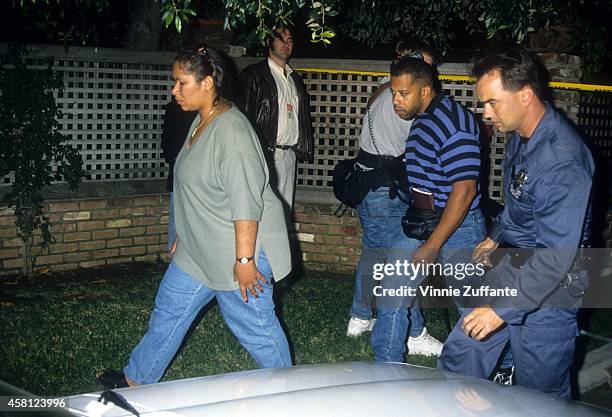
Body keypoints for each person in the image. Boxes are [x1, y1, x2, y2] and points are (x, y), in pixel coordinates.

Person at [96, 45, 292, 388]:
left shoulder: (232, 132)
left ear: (207, 84)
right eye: (174, 82)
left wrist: (245, 261)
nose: (174, 90)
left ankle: (291, 391)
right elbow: (194, 184)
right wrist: (184, 231)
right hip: (198, 250)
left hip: (238, 251)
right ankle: (137, 379)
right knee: (169, 310)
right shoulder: (202, 121)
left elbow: (246, 204)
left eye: (181, 83)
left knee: (257, 329)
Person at [437, 48, 594, 399]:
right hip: (515, 264)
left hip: (554, 283)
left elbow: (557, 256)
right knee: (463, 352)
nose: (484, 112)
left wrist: (501, 311)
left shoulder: (562, 160)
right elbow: (519, 199)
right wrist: (496, 235)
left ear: (525, 95)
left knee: (540, 394)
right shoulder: (521, 133)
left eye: (492, 102)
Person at [371, 56, 486, 362]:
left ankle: (506, 368)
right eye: (393, 92)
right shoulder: (423, 118)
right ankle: (386, 367)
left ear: (425, 90)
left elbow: (465, 189)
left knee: (475, 310)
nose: (395, 100)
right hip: (423, 221)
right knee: (393, 287)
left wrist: (434, 244)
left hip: (458, 227)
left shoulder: (452, 123)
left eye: (402, 93)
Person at [346, 42, 443, 357]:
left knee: (374, 254)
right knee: (403, 264)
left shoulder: (382, 91)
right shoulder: (406, 102)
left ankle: (359, 317)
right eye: (424, 66)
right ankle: (414, 333)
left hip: (369, 187)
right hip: (385, 192)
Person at [240, 25, 314, 211]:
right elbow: (242, 116)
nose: (286, 44)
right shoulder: (254, 75)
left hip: (289, 155)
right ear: (268, 41)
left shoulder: (294, 79)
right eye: (281, 39)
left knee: (285, 212)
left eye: (290, 40)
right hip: (266, 155)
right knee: (263, 211)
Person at [160, 98, 196, 252]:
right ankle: (174, 259)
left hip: (202, 177)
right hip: (179, 174)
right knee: (177, 218)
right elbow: (167, 142)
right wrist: (177, 162)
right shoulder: (175, 109)